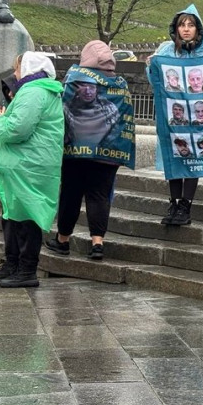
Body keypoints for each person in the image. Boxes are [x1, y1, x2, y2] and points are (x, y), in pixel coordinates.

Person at [45, 40, 132, 262]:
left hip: (76, 153)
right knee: (100, 195)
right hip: (107, 155)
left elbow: (61, 108)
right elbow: (124, 120)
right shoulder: (120, 83)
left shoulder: (75, 76)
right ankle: (97, 244)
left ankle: (63, 240)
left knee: (70, 194)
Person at [0, 52, 63, 287]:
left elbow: (18, 128)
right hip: (27, 164)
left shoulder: (34, 91)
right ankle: (13, 264)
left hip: (29, 165)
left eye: (17, 69)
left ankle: (26, 270)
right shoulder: (39, 90)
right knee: (14, 215)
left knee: (26, 216)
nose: (15, 74)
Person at [152, 4, 203, 226]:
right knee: (175, 158)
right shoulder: (166, 51)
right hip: (173, 118)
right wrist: (150, 66)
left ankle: (186, 205)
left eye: (191, 25)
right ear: (176, 28)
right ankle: (174, 203)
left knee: (193, 159)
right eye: (182, 25)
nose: (186, 29)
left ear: (198, 29)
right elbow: (156, 82)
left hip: (198, 119)